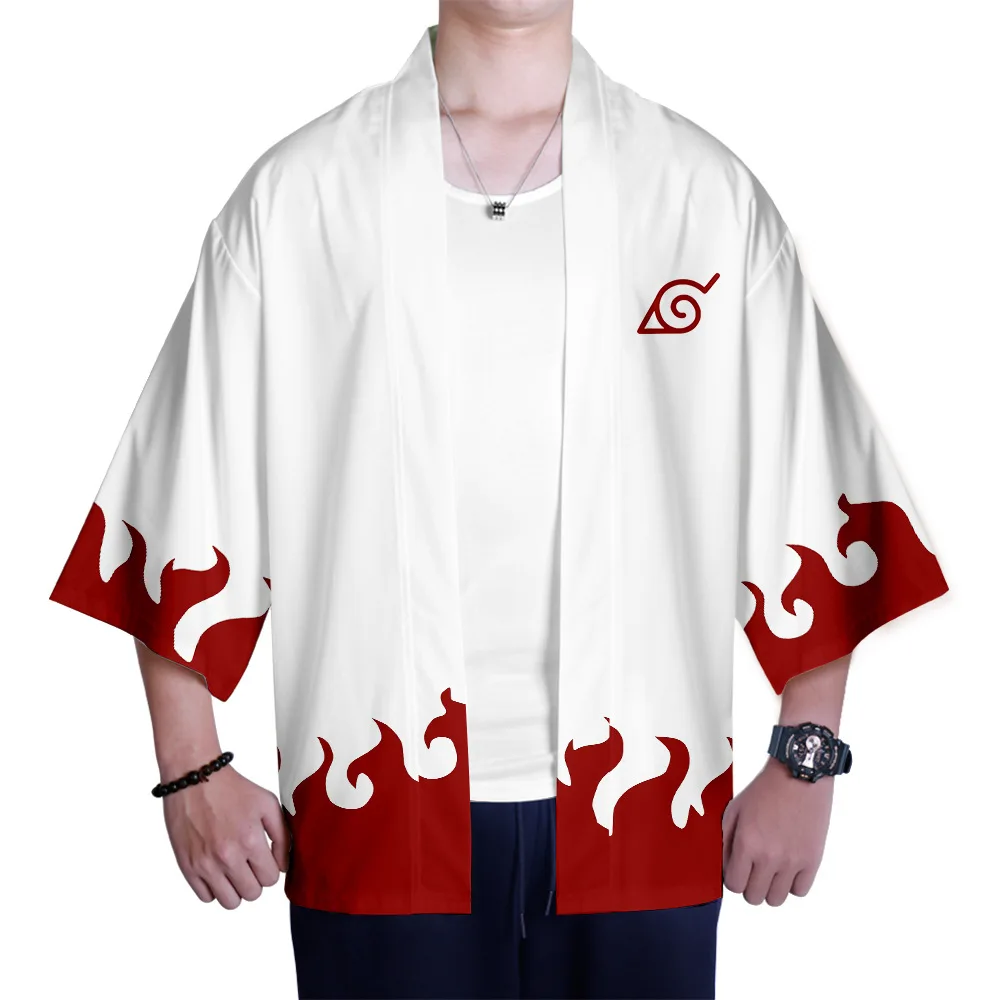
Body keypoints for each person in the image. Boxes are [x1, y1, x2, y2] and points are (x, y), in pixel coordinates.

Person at [48, 2, 950, 998]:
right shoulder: (300, 197)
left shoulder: (701, 195)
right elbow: (183, 489)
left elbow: (813, 480)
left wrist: (804, 757)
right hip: (374, 803)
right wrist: (191, 767)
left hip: (644, 807)